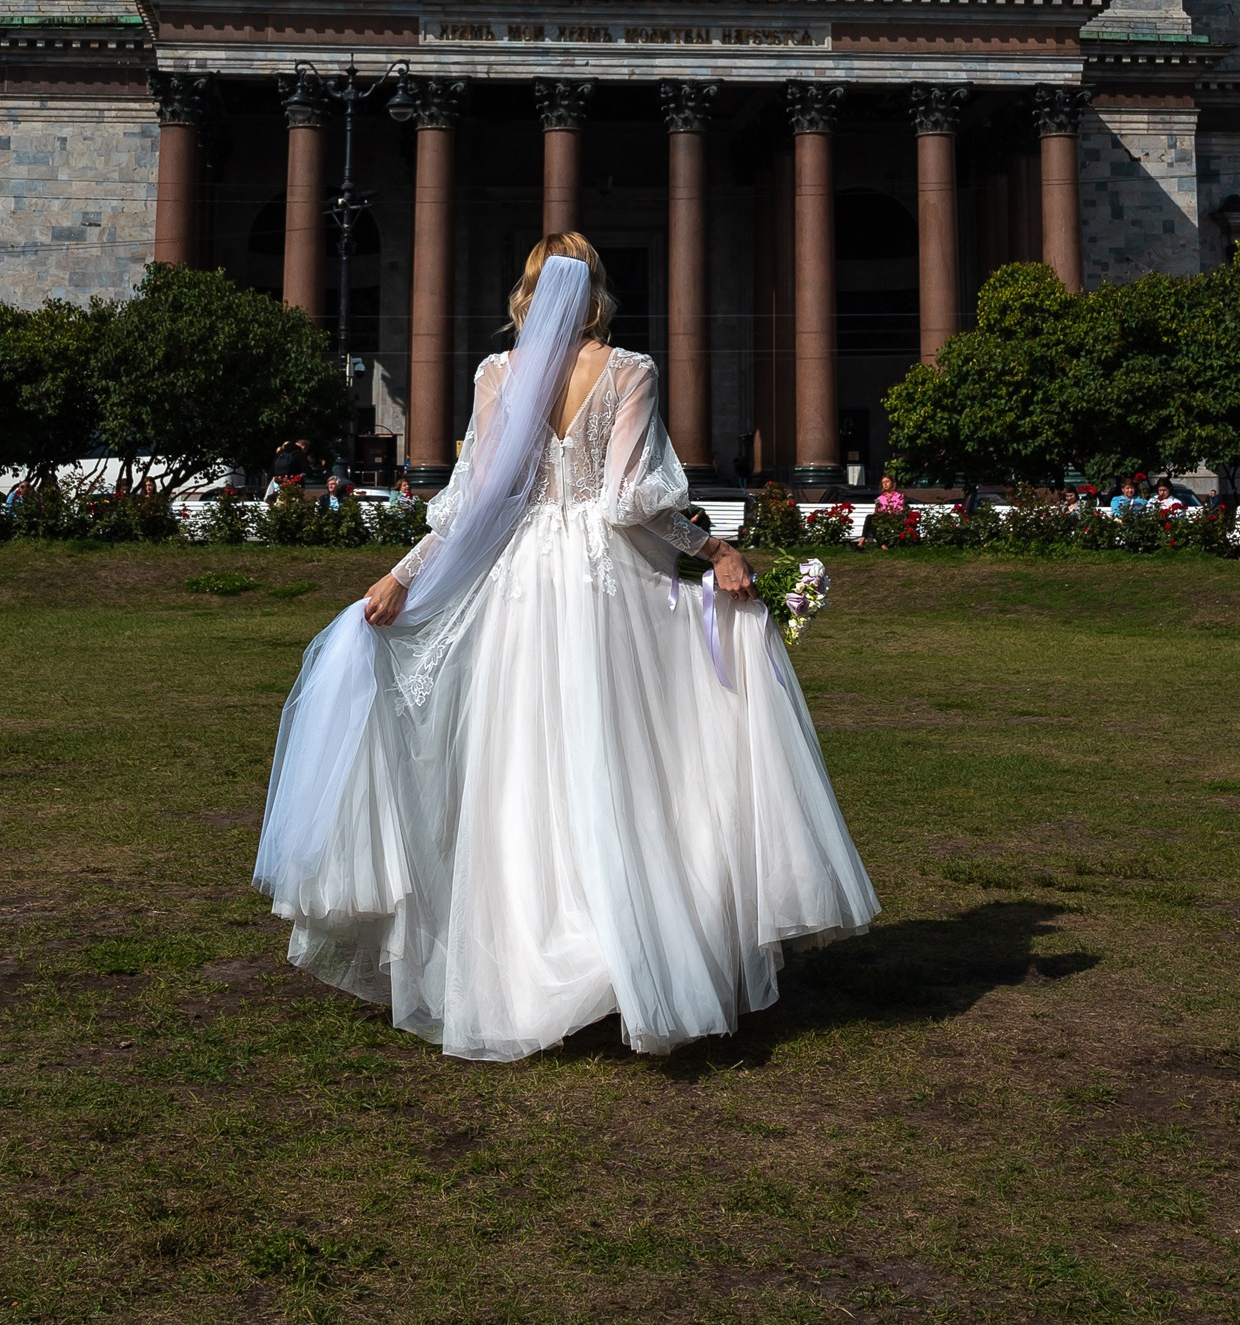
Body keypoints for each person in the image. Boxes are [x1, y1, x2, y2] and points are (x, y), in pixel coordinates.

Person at [256, 232, 878, 1061]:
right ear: (594, 294)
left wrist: (402, 575)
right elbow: (632, 504)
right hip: (598, 583)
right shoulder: (628, 370)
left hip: (520, 583)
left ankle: (517, 972)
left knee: (521, 769)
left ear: (527, 292)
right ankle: (622, 954)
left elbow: (474, 500)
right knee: (622, 764)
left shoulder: (494, 376)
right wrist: (719, 549)